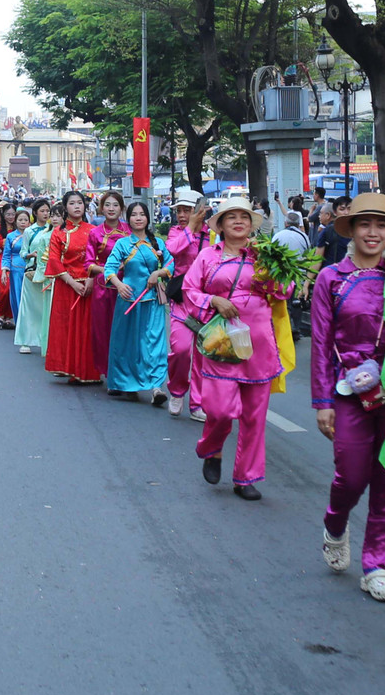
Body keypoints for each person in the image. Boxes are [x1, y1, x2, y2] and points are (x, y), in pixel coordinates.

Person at [311, 193, 385, 601]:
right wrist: (322, 402)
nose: (373, 233)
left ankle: (377, 567)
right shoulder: (330, 278)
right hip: (348, 391)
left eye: (381, 225)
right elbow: (320, 343)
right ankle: (335, 524)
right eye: (365, 224)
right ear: (351, 230)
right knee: (351, 476)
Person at [184, 196, 280, 501]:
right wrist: (213, 300)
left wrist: (273, 273)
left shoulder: (265, 254)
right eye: (231, 217)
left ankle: (246, 477)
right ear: (221, 225)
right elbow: (188, 289)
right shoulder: (207, 256)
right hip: (221, 342)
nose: (239, 221)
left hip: (258, 342)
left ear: (251, 224)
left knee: (254, 416)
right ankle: (211, 448)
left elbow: (285, 291)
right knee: (221, 409)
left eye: (244, 217)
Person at [102, 201, 169, 400]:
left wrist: (158, 273)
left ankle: (156, 387)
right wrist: (119, 285)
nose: (138, 218)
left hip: (153, 301)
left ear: (148, 218)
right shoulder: (123, 244)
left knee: (155, 344)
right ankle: (128, 383)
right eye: (134, 215)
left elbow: (170, 265)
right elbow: (109, 268)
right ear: (128, 219)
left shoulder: (158, 243)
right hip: (129, 300)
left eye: (142, 214)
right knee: (128, 344)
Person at [44, 191, 101, 383]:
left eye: (80, 203)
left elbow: (98, 258)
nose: (77, 206)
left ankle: (87, 371)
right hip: (67, 286)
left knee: (87, 328)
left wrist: (91, 279)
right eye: (72, 203)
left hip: (89, 285)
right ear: (65, 207)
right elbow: (54, 260)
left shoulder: (93, 230)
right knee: (66, 327)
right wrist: (72, 282)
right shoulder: (58, 233)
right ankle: (66, 367)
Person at [165, 195, 210, 418]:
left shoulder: (213, 234)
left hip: (207, 302)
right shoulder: (176, 232)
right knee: (181, 349)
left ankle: (197, 404)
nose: (182, 215)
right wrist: (190, 227)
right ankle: (176, 390)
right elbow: (172, 249)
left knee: (202, 355)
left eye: (187, 210)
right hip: (182, 300)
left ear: (200, 210)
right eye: (179, 210)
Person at [85, 191, 130, 384]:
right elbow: (88, 264)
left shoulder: (130, 231)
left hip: (128, 287)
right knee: (104, 332)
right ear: (101, 208)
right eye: (107, 205)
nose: (111, 209)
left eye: (115, 205)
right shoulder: (95, 233)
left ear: (122, 209)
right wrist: (108, 269)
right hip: (103, 289)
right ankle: (110, 373)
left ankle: (126, 373)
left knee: (126, 332)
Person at [15, 201, 55, 355]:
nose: (46, 214)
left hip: (49, 274)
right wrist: (30, 255)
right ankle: (25, 340)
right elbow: (23, 252)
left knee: (47, 308)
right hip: (32, 272)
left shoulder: (53, 229)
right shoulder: (29, 231)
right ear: (35, 213)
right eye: (42, 211)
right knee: (29, 308)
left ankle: (46, 340)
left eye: (48, 211)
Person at [0, 207, 32, 332]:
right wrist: (4, 271)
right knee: (17, 296)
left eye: (25, 220)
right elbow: (6, 255)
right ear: (15, 221)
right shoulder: (10, 236)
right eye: (20, 220)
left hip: (31, 268)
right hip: (15, 270)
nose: (23, 222)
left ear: (29, 221)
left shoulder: (33, 235)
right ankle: (20, 323)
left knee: (30, 297)